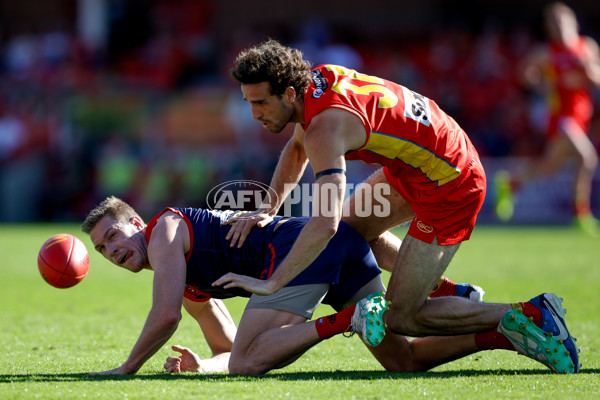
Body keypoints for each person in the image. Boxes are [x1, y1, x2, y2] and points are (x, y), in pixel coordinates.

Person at [217, 39, 580, 369]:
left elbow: (323, 223)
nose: (255, 114)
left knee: (401, 317)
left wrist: (274, 282)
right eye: (249, 103)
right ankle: (449, 292)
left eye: (261, 102)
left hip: (452, 181)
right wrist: (268, 208)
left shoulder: (325, 129)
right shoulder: (316, 81)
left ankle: (532, 313)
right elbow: (297, 149)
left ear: (289, 94)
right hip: (422, 161)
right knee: (352, 231)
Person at [81, 196, 577, 374]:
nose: (111, 251)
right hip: (336, 246)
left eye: (112, 236)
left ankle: (352, 318)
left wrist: (126, 370)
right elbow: (234, 351)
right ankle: (511, 327)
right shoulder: (184, 277)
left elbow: (166, 317)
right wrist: (200, 368)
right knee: (402, 359)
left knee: (252, 364)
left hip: (304, 251)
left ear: (136, 222)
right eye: (101, 251)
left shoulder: (164, 232)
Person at [494, 2, 600, 235]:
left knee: (551, 167)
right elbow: (523, 73)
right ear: (549, 28)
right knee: (587, 158)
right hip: (561, 117)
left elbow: (597, 79)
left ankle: (511, 183)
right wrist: (542, 85)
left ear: (573, 23)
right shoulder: (545, 53)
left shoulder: (587, 47)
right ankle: (581, 214)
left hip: (581, 116)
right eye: (553, 24)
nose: (558, 28)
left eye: (561, 22)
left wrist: (588, 69)